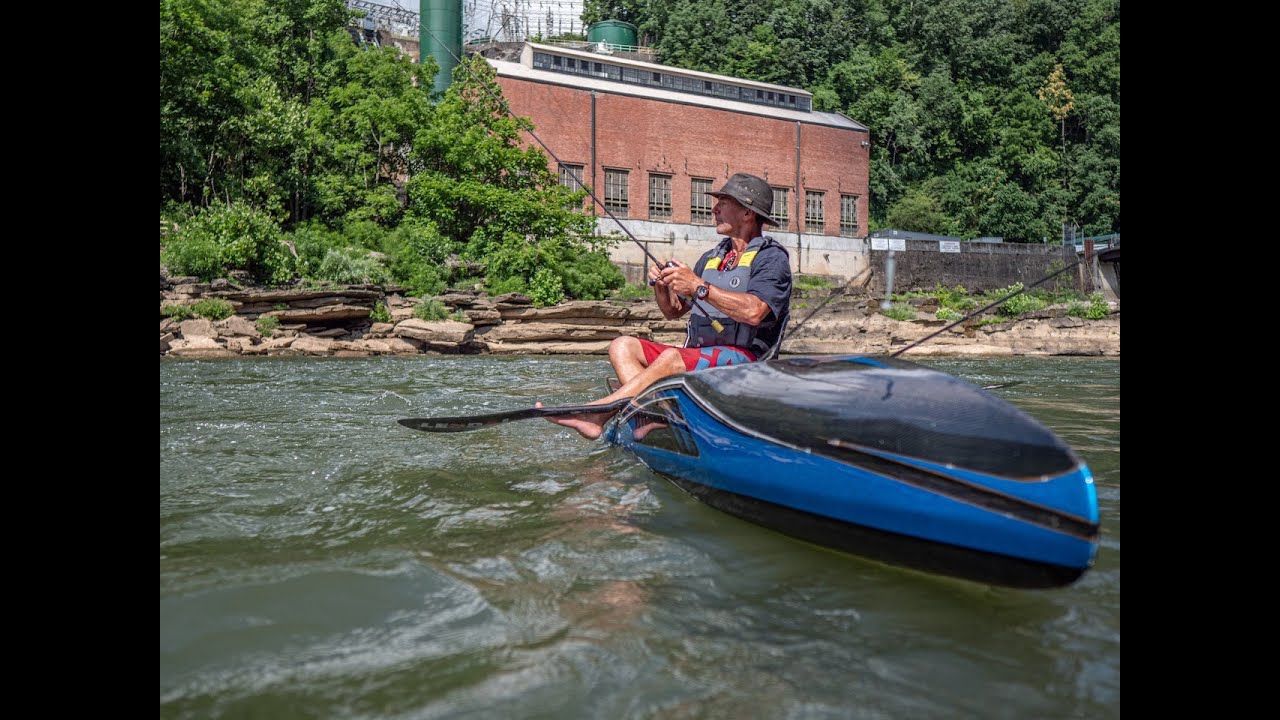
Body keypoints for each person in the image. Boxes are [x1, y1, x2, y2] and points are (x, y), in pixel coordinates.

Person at [543, 172, 792, 439]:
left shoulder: (771, 258)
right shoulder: (712, 257)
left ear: (747, 214)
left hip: (749, 363)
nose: (714, 208)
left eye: (724, 202)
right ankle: (650, 416)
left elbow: (754, 312)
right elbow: (673, 311)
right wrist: (663, 286)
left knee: (671, 358)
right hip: (701, 357)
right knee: (622, 345)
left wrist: (698, 286)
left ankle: (600, 413)